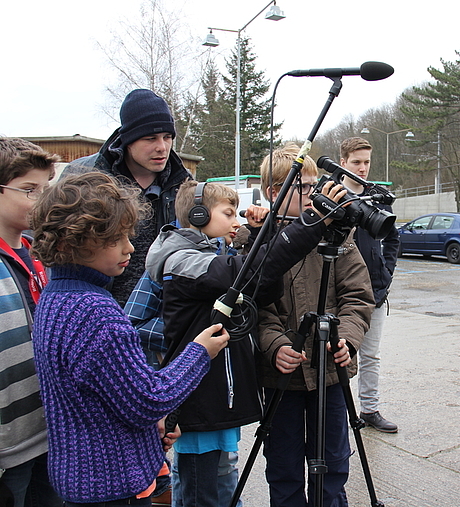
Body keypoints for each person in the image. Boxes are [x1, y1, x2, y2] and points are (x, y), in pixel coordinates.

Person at [28, 171, 230, 506]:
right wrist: (198, 353)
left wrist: (150, 430)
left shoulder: (56, 296)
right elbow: (147, 400)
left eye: (127, 235)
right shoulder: (96, 312)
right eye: (114, 240)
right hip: (112, 486)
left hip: (80, 477)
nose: (130, 248)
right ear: (70, 244)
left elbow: (102, 396)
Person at [144, 175, 347, 507]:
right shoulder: (182, 260)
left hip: (218, 400)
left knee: (223, 490)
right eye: (227, 212)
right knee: (203, 493)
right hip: (199, 404)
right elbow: (248, 272)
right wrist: (313, 221)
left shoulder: (208, 251)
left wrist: (260, 235)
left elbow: (263, 286)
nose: (235, 221)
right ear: (198, 216)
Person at [256, 143, 374, 507]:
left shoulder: (337, 234)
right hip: (283, 380)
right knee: (284, 467)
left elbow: (358, 296)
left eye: (313, 185)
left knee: (334, 464)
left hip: (331, 372)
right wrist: (275, 345)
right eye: (304, 187)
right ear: (276, 192)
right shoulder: (260, 241)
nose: (313, 193)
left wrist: (348, 340)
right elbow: (257, 308)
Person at [63, 89, 192, 307]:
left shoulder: (183, 183)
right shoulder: (85, 177)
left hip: (162, 317)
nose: (162, 147)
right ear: (128, 140)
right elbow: (59, 250)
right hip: (99, 312)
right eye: (150, 138)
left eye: (167, 137)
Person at [0, 138, 61, 507]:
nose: (41, 200)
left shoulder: (40, 255)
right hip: (8, 445)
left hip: (48, 430)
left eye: (45, 189)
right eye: (28, 190)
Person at [339, 137, 400, 432]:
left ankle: (370, 410)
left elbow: (393, 237)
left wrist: (386, 272)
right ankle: (337, 411)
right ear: (343, 163)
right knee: (339, 355)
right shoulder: (332, 195)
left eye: (366, 162)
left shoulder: (379, 196)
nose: (362, 169)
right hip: (339, 293)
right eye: (356, 162)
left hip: (374, 292)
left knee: (370, 355)